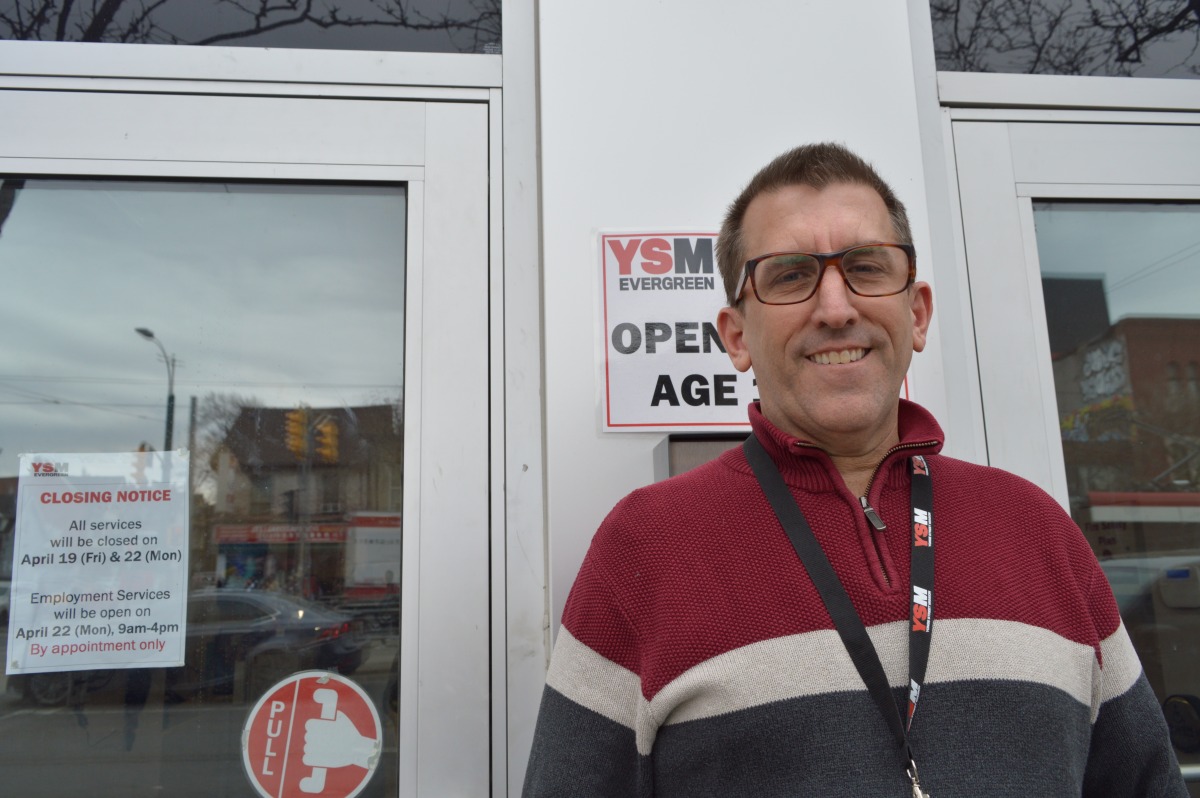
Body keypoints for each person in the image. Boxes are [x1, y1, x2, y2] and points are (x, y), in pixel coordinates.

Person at [522, 143, 1186, 797]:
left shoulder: (1039, 531)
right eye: (789, 275)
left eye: (866, 268)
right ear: (736, 337)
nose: (836, 309)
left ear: (917, 313)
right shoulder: (644, 546)